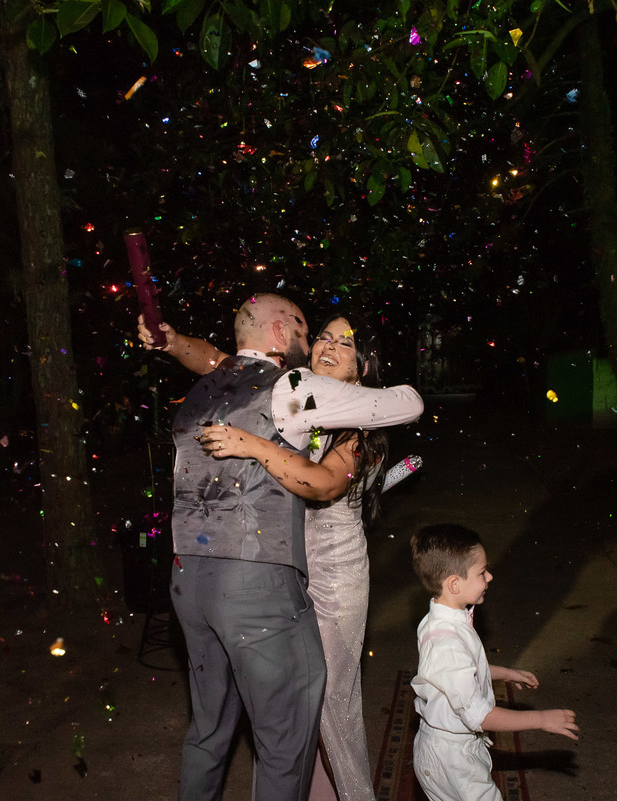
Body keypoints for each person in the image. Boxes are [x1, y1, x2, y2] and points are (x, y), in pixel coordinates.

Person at [142, 294, 423, 801]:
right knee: (290, 717)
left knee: (329, 703)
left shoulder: (335, 412)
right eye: (320, 334)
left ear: (363, 366)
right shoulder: (286, 388)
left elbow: (326, 485)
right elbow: (219, 358)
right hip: (273, 574)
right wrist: (173, 341)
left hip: (328, 571)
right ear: (288, 335)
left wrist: (254, 444)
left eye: (345, 341)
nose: (327, 344)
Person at [409, 524, 580, 801]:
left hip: (448, 751)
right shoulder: (447, 644)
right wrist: (541, 719)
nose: (489, 576)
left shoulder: (443, 619)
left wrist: (505, 673)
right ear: (454, 583)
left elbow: (464, 673)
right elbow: (481, 716)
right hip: (452, 759)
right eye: (481, 572)